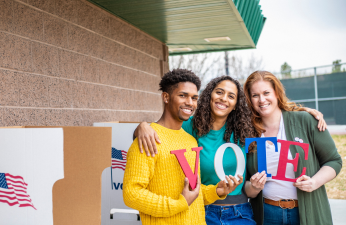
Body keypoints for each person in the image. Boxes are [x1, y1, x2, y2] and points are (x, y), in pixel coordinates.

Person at [134, 75, 327, 225]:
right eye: (219, 92)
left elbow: (273, 113)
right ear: (209, 94)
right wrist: (142, 126)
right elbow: (161, 131)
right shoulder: (190, 127)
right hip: (203, 211)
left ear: (236, 104)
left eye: (231, 96)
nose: (223, 99)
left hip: (241, 212)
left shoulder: (244, 128)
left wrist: (307, 112)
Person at [123, 69, 238, 225]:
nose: (190, 103)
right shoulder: (147, 139)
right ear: (166, 97)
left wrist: (216, 191)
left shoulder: (190, 140)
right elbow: (132, 194)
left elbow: (192, 193)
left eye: (194, 98)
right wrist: (179, 204)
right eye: (183, 95)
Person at [244, 71, 342, 225]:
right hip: (267, 214)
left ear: (276, 93)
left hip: (306, 212)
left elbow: (334, 161)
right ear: (250, 99)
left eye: (266, 92)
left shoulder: (305, 120)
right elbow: (246, 185)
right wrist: (254, 187)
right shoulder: (246, 131)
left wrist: (314, 182)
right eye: (255, 95)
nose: (262, 100)